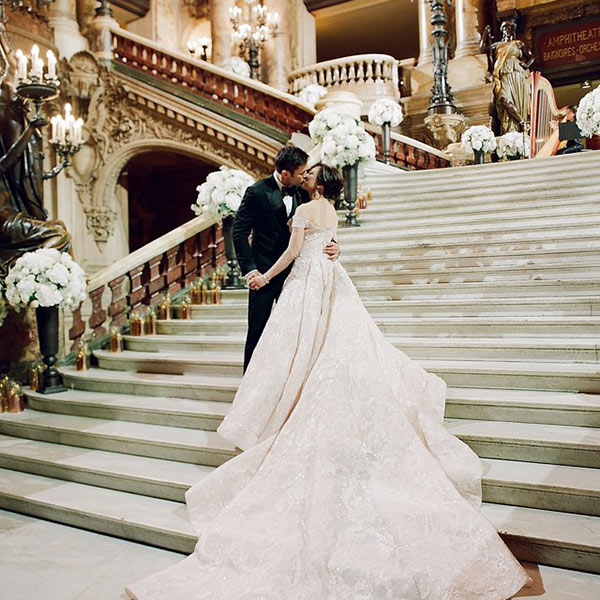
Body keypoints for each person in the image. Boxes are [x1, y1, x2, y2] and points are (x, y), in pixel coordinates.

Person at [126, 164, 530, 600]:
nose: (306, 177)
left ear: (315, 183)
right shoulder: (331, 210)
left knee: (301, 341)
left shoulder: (305, 209)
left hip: (304, 279)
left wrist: (266, 275)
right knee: (323, 339)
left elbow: (294, 252)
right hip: (330, 278)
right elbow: (323, 244)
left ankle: (287, 402)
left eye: (311, 174)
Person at [233, 144, 339, 371]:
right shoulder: (257, 192)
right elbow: (239, 232)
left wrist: (335, 246)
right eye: (302, 173)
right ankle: (249, 385)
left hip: (297, 275)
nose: (305, 177)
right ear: (284, 174)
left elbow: (319, 228)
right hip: (264, 270)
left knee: (291, 333)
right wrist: (251, 269)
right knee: (258, 330)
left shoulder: (304, 193)